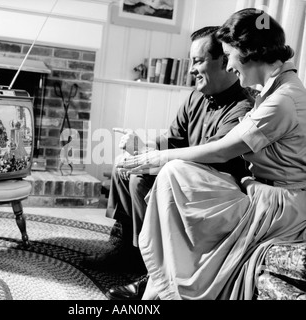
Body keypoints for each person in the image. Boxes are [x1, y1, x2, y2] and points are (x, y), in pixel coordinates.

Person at [118, 8, 306, 300]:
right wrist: (150, 152)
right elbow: (182, 139)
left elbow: (222, 151)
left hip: (281, 207)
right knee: (174, 174)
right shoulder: (275, 88)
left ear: (248, 52)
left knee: (173, 173)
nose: (229, 65)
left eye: (229, 54)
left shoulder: (282, 100)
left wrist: (154, 159)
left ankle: (160, 287)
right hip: (261, 191)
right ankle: (158, 284)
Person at [84, 26, 255, 300]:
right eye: (191, 62)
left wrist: (153, 160)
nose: (192, 69)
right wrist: (140, 146)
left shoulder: (241, 108)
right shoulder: (195, 97)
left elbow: (210, 159)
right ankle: (126, 249)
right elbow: (173, 142)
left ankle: (155, 268)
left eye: (198, 61)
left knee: (140, 178)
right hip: (179, 174)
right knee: (124, 166)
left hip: (209, 192)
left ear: (224, 61)